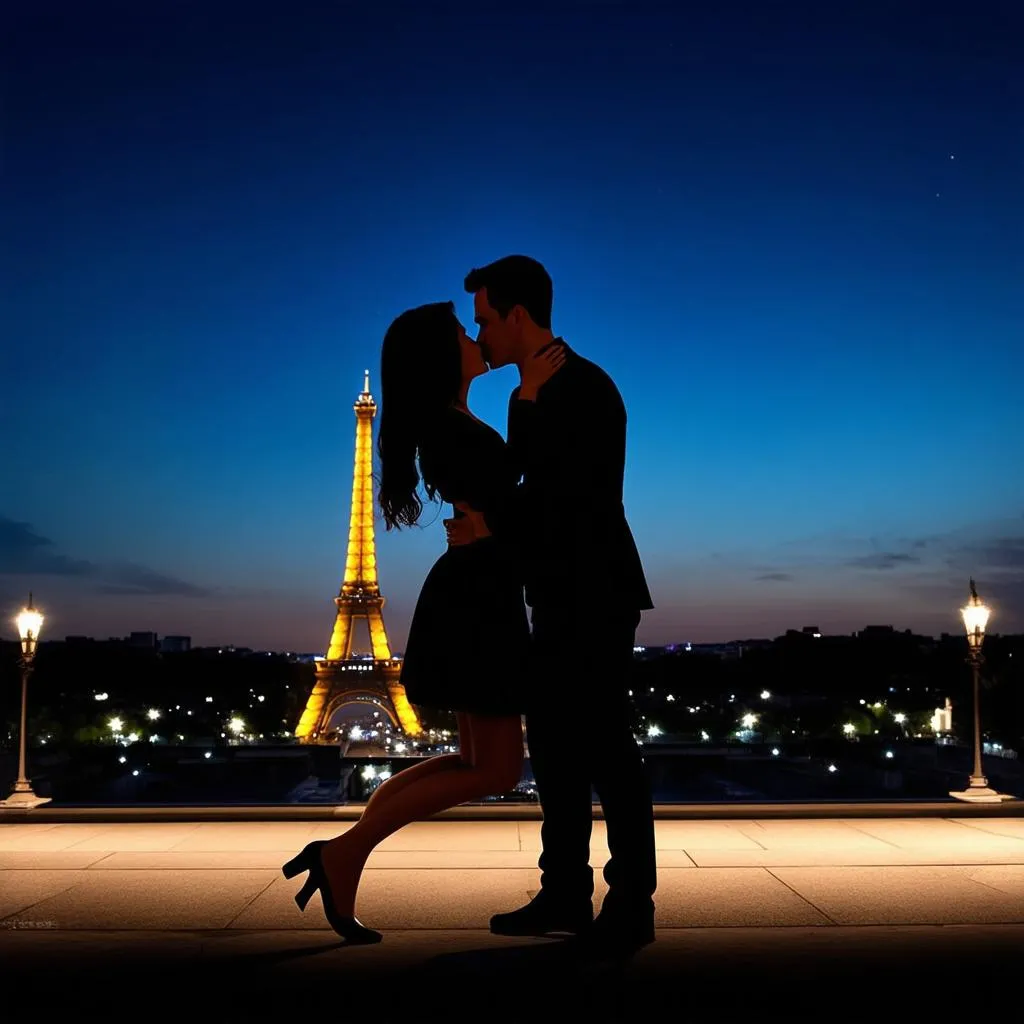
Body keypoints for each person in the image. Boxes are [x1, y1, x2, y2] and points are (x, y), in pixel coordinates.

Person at [281, 300, 565, 942]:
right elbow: (520, 499)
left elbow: (500, 506)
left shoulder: (450, 420)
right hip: (478, 597)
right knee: (494, 770)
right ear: (440, 357)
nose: (474, 338)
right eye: (463, 333)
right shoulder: (448, 425)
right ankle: (345, 853)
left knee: (474, 760)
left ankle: (344, 853)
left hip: (473, 589)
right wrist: (529, 398)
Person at [448, 255, 657, 958]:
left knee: (604, 748)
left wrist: (529, 412)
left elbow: (560, 498)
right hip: (559, 591)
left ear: (516, 314)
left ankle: (631, 904)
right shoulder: (531, 391)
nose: (479, 335)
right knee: (562, 753)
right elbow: (529, 492)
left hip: (594, 591)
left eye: (483, 319)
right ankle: (565, 892)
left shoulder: (582, 388)